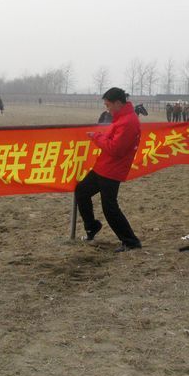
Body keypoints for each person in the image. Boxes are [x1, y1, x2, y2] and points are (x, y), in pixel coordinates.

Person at [75, 87, 142, 252]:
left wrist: (96, 137)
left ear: (118, 103)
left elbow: (115, 148)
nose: (107, 109)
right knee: (81, 191)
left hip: (112, 170)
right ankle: (92, 226)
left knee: (110, 207)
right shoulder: (121, 118)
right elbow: (111, 140)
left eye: (108, 105)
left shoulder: (128, 122)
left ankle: (131, 241)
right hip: (103, 166)